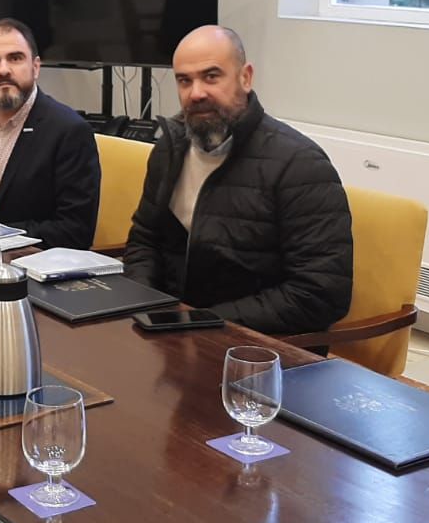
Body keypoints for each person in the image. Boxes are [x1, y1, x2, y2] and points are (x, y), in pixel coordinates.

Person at [123, 25, 352, 335]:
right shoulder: (170, 148)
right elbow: (145, 239)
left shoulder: (300, 165)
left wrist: (199, 322)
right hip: (171, 330)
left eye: (211, 76)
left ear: (245, 77)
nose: (197, 93)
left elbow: (321, 293)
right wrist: (144, 306)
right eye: (184, 80)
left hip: (254, 349)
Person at [0, 19, 100, 250]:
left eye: (15, 58)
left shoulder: (69, 131)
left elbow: (75, 230)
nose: (3, 70)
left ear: (36, 67)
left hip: (29, 265)